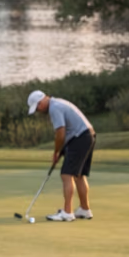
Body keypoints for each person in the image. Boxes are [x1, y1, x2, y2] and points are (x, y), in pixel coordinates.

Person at [27, 89, 96, 221]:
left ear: (41, 102)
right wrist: (62, 150)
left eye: (37, 108)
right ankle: (85, 209)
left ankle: (67, 212)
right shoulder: (58, 102)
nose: (38, 111)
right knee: (79, 175)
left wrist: (56, 152)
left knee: (66, 174)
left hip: (80, 137)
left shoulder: (54, 108)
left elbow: (61, 133)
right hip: (88, 135)